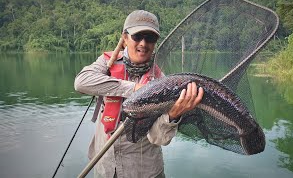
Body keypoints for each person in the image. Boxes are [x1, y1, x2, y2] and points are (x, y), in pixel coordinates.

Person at [74, 10, 203, 178]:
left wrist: (173, 115)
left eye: (150, 38)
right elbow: (81, 82)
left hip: (143, 171)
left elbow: (158, 139)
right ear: (125, 38)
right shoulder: (106, 63)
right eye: (137, 36)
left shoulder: (162, 82)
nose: (143, 43)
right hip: (104, 166)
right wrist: (134, 89)